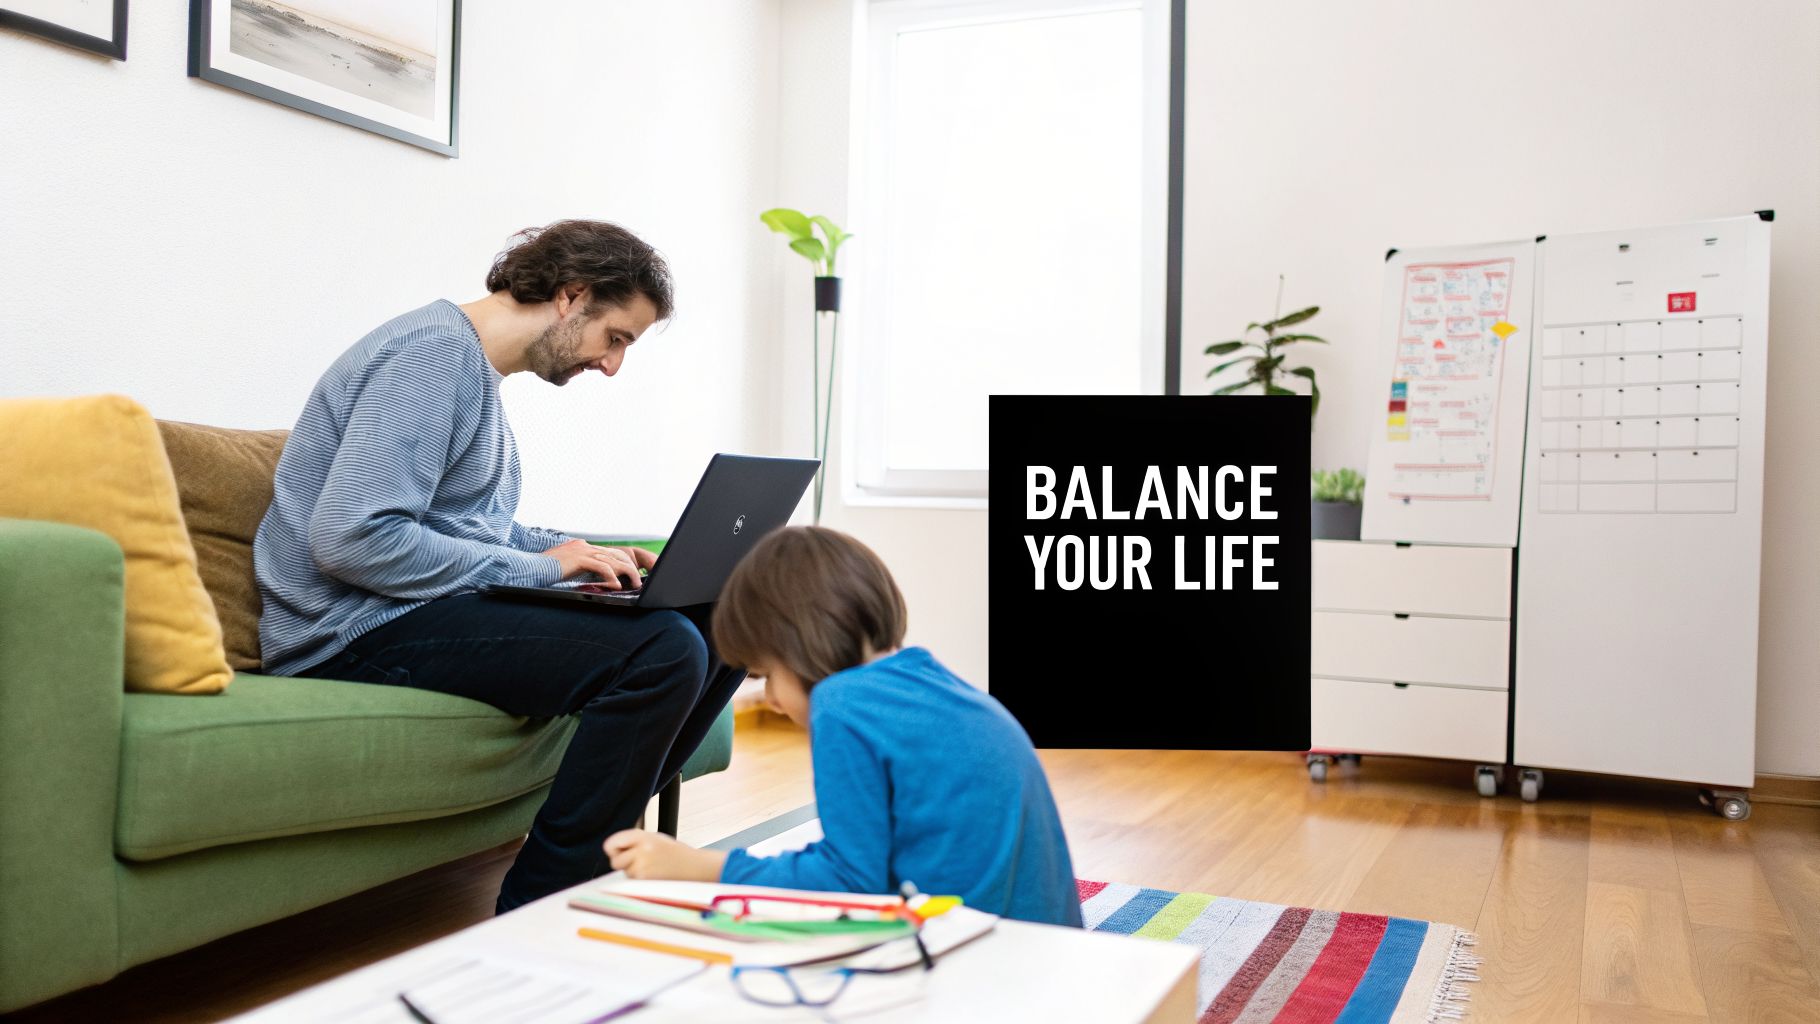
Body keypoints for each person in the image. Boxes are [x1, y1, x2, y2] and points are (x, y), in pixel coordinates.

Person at [254, 219, 744, 913]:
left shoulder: (472, 372)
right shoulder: (429, 356)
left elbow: (474, 528)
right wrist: (544, 571)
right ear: (572, 296)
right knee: (662, 650)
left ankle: (610, 861)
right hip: (348, 632)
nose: (612, 366)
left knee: (719, 619)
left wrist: (581, 552)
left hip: (415, 610)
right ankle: (541, 907)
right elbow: (353, 540)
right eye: (616, 339)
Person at [603, 527, 1083, 927]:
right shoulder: (931, 679)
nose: (770, 699)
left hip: (979, 959)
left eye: (768, 674)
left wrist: (702, 867)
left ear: (797, 645)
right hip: (1046, 945)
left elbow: (849, 882)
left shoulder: (841, 703)